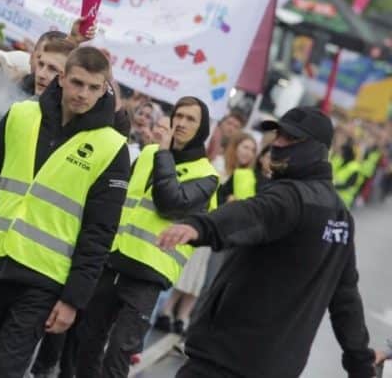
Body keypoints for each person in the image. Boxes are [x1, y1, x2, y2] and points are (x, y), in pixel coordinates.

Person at [159, 106, 386, 378]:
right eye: (277, 135)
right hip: (275, 367)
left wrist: (201, 226)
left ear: (316, 148)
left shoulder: (293, 197)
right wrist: (360, 363)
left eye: (289, 139)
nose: (277, 143)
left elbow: (252, 212)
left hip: (225, 358)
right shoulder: (341, 217)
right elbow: (346, 298)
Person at [0, 46, 130, 378]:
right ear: (62, 79)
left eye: (94, 87)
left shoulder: (112, 147)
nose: (83, 94)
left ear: (105, 87)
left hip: (43, 280)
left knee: (5, 371)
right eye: (77, 83)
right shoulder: (20, 114)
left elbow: (99, 232)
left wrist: (74, 300)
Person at [74, 96, 219, 377]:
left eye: (191, 119)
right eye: (179, 115)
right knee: (87, 340)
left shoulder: (207, 175)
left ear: (202, 130)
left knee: (119, 351)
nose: (181, 123)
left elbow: (170, 203)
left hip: (148, 273)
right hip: (114, 260)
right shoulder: (148, 154)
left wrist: (164, 153)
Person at [215, 132, 259, 202]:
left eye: (253, 150)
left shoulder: (246, 175)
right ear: (235, 147)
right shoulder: (218, 162)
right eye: (245, 147)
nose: (249, 153)